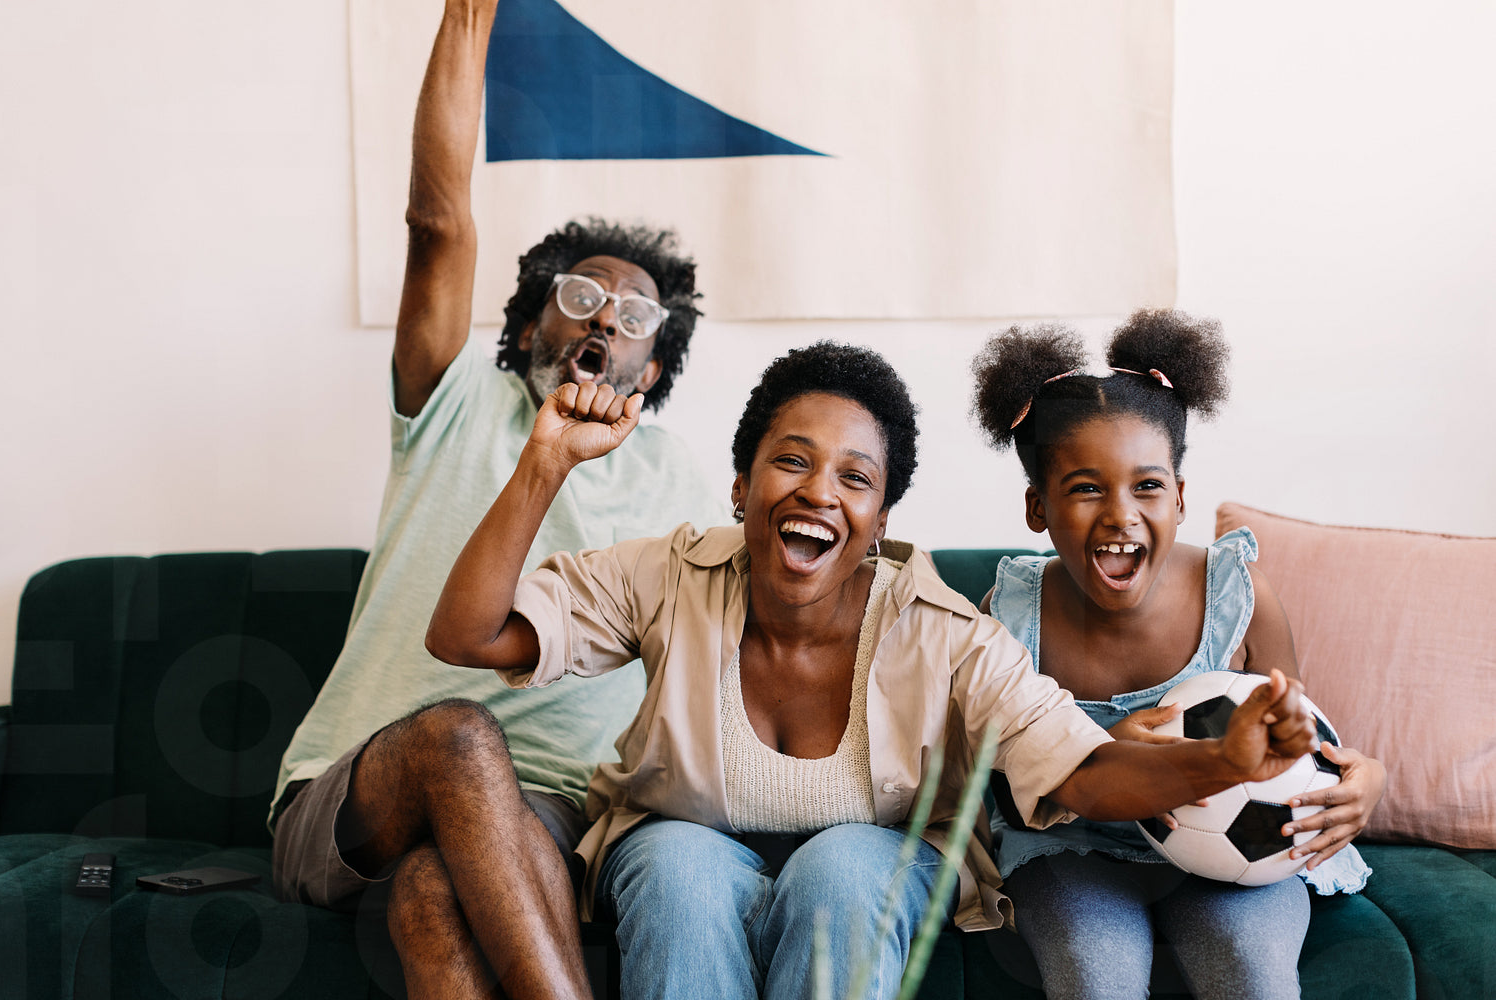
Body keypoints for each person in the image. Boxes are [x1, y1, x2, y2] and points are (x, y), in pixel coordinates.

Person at [425, 340, 1322, 1000]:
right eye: (790, 462)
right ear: (741, 487)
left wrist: (1221, 761)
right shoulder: (667, 576)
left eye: (855, 478)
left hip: (872, 860)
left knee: (846, 866)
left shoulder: (946, 631)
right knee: (673, 865)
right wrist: (546, 463)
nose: (819, 491)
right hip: (684, 844)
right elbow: (468, 635)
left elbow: (1083, 771)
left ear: (881, 518)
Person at [268, 1, 725, 996]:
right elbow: (437, 223)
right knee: (460, 734)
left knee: (433, 892)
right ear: (524, 331)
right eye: (579, 296)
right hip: (356, 794)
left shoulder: (684, 483)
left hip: (550, 812)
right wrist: (470, 14)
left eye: (634, 315)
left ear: (653, 370)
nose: (604, 317)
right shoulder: (453, 400)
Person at [968, 310, 1388, 1000]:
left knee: (1252, 972)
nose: (1121, 514)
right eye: (1086, 488)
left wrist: (1364, 777)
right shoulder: (1009, 616)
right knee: (1095, 971)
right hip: (1078, 850)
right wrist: (1104, 753)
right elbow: (997, 781)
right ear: (1037, 507)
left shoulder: (1237, 593)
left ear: (1181, 497)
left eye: (1148, 485)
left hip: (1235, 852)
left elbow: (1299, 738)